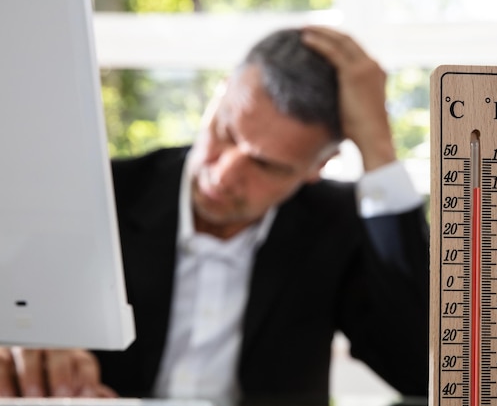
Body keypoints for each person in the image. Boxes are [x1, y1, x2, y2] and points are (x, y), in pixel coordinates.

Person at [0, 26, 429, 406]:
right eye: (226, 132)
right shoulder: (100, 195)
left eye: (267, 165)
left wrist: (379, 148)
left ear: (319, 166)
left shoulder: (339, 224)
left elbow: (418, 371)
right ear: (219, 93)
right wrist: (25, 348)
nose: (224, 175)